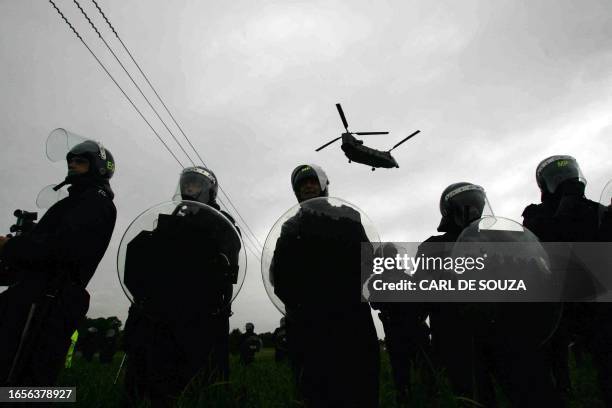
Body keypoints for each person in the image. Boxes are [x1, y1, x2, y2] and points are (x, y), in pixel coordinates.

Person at [0, 139, 117, 385]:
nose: (72, 165)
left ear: (99, 167)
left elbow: (63, 248)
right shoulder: (76, 201)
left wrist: (10, 245)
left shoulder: (96, 202)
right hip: (34, 296)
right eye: (71, 161)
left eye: (81, 161)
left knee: (25, 380)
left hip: (47, 302)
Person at [122, 166, 241, 407]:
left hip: (201, 310)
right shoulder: (171, 220)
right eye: (186, 184)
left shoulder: (223, 222)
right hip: (163, 307)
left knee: (199, 378)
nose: (189, 188)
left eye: (195, 184)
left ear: (209, 190)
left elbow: (227, 264)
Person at [270, 164, 380, 408]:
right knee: (314, 387)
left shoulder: (347, 215)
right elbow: (281, 274)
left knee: (360, 382)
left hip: (350, 313)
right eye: (302, 184)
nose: (307, 186)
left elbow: (367, 259)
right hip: (308, 318)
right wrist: (297, 305)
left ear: (323, 185)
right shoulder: (290, 227)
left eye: (311, 181)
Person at [522, 155, 612, 405]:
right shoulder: (536, 215)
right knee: (558, 367)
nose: (563, 180)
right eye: (556, 176)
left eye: (567, 173)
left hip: (599, 296)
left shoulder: (597, 209)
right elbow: (540, 244)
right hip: (559, 301)